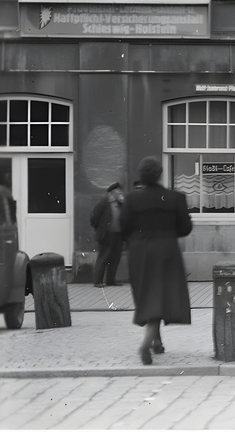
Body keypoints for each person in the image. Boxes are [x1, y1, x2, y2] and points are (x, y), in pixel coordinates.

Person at [121, 156, 192, 365]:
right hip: (166, 249)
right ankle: (147, 343)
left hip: (140, 251)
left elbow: (123, 227)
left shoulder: (132, 199)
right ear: (160, 174)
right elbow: (185, 228)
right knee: (162, 295)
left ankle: (156, 341)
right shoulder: (175, 198)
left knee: (148, 295)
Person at [89, 182, 126, 288]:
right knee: (103, 257)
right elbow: (94, 217)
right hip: (107, 234)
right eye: (118, 191)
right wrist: (100, 229)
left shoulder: (120, 203)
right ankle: (97, 281)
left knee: (115, 258)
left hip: (118, 234)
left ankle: (111, 280)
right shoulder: (104, 202)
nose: (120, 193)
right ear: (113, 192)